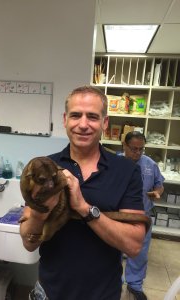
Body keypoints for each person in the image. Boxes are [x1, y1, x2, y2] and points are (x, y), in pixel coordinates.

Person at [20, 86, 146, 300]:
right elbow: (29, 243)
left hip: (102, 294)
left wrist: (84, 208)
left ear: (105, 123)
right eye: (76, 115)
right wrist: (41, 211)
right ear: (65, 119)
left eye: (93, 117)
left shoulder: (126, 171)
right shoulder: (47, 167)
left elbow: (134, 246)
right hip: (49, 293)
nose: (83, 124)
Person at [121, 131, 164, 300]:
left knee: (139, 254)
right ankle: (114, 281)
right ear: (124, 146)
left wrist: (157, 192)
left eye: (141, 149)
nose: (137, 153)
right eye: (133, 149)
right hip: (117, 217)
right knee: (112, 251)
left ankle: (135, 285)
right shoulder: (115, 162)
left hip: (141, 218)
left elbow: (159, 185)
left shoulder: (150, 164)